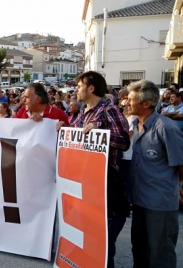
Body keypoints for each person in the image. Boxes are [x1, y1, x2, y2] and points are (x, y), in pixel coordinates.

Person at [56, 71, 130, 268]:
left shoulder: (109, 111)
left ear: (91, 88)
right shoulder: (82, 112)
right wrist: (65, 127)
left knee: (104, 245)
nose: (76, 90)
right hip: (86, 184)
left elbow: (123, 142)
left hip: (105, 185)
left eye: (80, 86)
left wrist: (100, 134)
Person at [126, 80, 183, 268]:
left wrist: (179, 189)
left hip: (160, 203)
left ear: (146, 103)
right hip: (139, 200)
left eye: (131, 99)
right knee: (139, 249)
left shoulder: (166, 128)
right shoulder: (133, 125)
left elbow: (181, 164)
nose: (126, 102)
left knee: (161, 253)